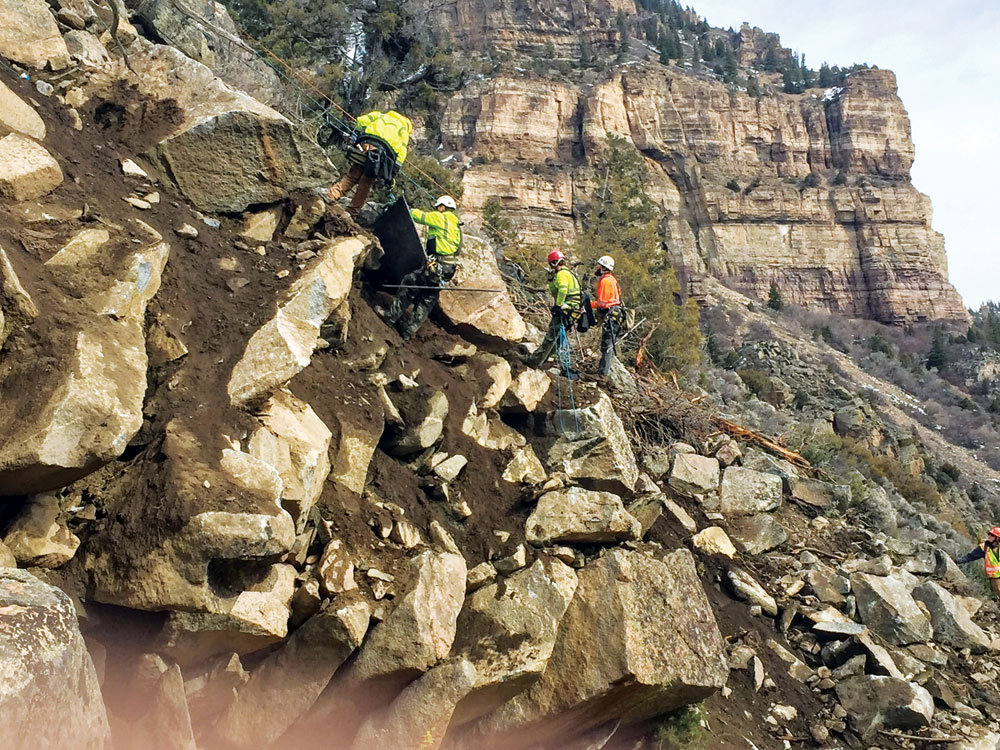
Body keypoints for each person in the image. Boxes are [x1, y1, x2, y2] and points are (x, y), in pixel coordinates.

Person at [381, 195, 462, 340]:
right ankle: (408, 330)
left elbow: (419, 216)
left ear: (442, 207)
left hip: (438, 264)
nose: (437, 209)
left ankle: (390, 317)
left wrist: (406, 209)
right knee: (428, 296)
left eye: (438, 207)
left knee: (411, 282)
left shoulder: (442, 217)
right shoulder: (456, 224)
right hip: (448, 268)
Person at [328, 110, 413, 217]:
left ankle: (332, 196)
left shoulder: (379, 115)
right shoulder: (403, 129)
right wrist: (392, 173)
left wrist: (360, 134)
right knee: (365, 184)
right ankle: (351, 212)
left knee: (351, 176)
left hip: (366, 145)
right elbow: (401, 152)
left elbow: (360, 121)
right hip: (380, 156)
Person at [528, 250, 582, 378]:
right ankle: (545, 358)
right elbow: (557, 289)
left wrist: (558, 305)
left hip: (566, 307)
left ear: (553, 263)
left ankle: (535, 360)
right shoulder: (567, 273)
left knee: (552, 335)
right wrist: (551, 279)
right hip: (573, 308)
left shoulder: (562, 274)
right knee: (557, 337)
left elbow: (562, 290)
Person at [590, 254, 625, 377]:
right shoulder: (612, 279)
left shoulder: (605, 281)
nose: (596, 267)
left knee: (607, 345)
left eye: (598, 265)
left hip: (611, 315)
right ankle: (604, 372)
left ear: (603, 267)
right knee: (609, 344)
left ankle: (603, 374)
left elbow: (602, 303)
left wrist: (588, 304)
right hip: (616, 314)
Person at [954, 527, 1000, 597]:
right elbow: (970, 557)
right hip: (995, 578)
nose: (989, 536)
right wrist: (957, 561)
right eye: (989, 534)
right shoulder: (983, 547)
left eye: (992, 535)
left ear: (997, 538)